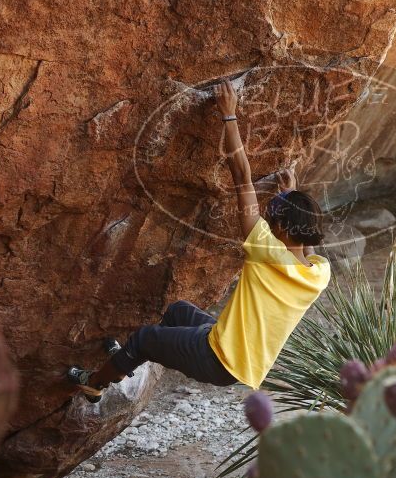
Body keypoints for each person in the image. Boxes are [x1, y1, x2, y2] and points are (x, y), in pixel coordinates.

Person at [68, 80, 331, 401]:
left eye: (273, 214)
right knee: (178, 311)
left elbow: (241, 175)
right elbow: (306, 239)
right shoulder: (318, 272)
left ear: (285, 230)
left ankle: (95, 383)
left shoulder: (265, 249)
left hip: (217, 358)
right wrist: (289, 194)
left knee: (145, 338)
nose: (267, 214)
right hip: (235, 357)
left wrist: (229, 115)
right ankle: (127, 359)